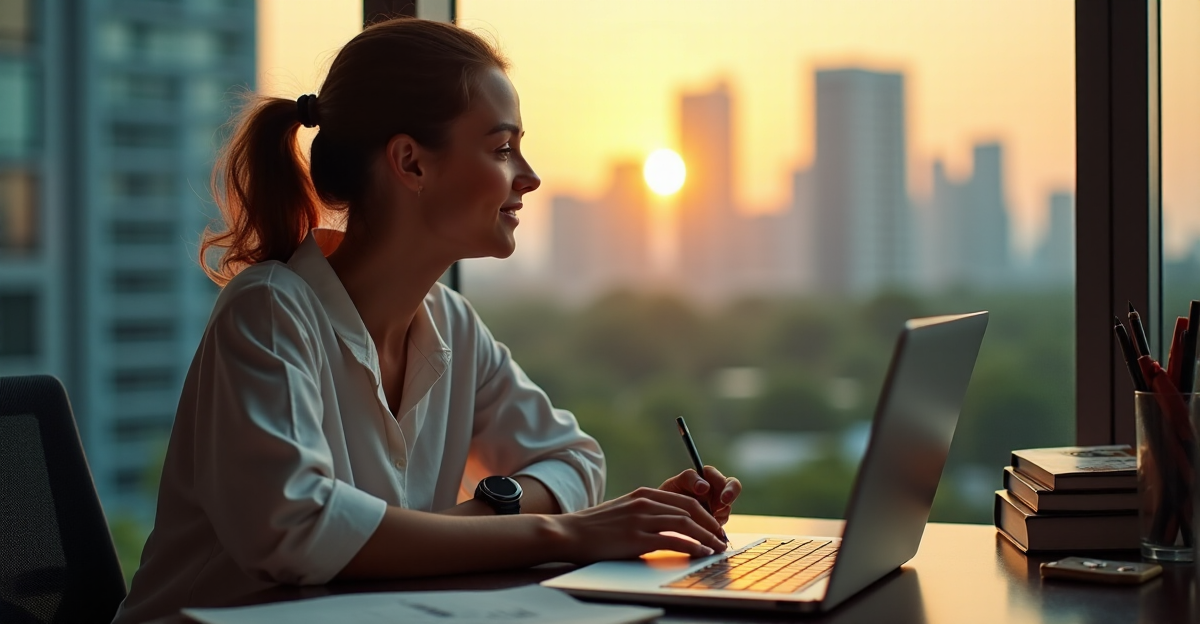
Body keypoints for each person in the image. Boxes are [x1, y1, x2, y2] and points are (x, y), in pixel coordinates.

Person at [112, 17, 741, 624]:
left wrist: (497, 518)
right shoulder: (271, 312)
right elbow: (297, 531)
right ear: (411, 163)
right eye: (502, 148)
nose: (529, 177)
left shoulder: (451, 323)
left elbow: (575, 460)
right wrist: (560, 532)